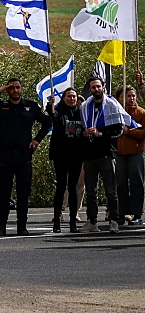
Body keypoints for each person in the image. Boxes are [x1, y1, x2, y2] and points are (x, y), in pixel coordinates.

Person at [0, 78, 52, 236]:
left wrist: (37, 139)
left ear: (21, 89)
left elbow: (47, 122)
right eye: (11, 88)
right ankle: (1, 226)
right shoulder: (1, 106)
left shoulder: (31, 106)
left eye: (17, 88)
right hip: (6, 156)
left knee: (23, 193)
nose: (15, 91)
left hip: (24, 156)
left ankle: (22, 227)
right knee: (4, 193)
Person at [80, 77, 127, 233]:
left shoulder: (112, 105)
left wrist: (100, 133)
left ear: (103, 87)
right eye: (93, 87)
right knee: (91, 190)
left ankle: (114, 220)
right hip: (89, 154)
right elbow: (79, 128)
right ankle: (92, 221)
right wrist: (84, 133)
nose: (96, 89)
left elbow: (118, 129)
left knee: (110, 190)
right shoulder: (85, 106)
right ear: (90, 89)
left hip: (106, 153)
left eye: (98, 86)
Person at [46, 88, 85, 233]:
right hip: (61, 155)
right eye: (69, 96)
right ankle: (56, 220)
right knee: (61, 187)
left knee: (73, 187)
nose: (72, 99)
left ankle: (73, 221)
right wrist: (50, 106)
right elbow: (52, 114)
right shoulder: (59, 111)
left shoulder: (81, 112)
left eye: (74, 96)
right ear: (63, 98)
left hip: (76, 155)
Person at [114, 85, 145, 226]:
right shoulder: (118, 113)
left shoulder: (141, 113)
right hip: (120, 154)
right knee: (121, 184)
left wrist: (129, 132)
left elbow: (143, 133)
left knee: (136, 183)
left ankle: (137, 214)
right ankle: (122, 213)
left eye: (133, 96)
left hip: (136, 153)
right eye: (128, 96)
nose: (131, 98)